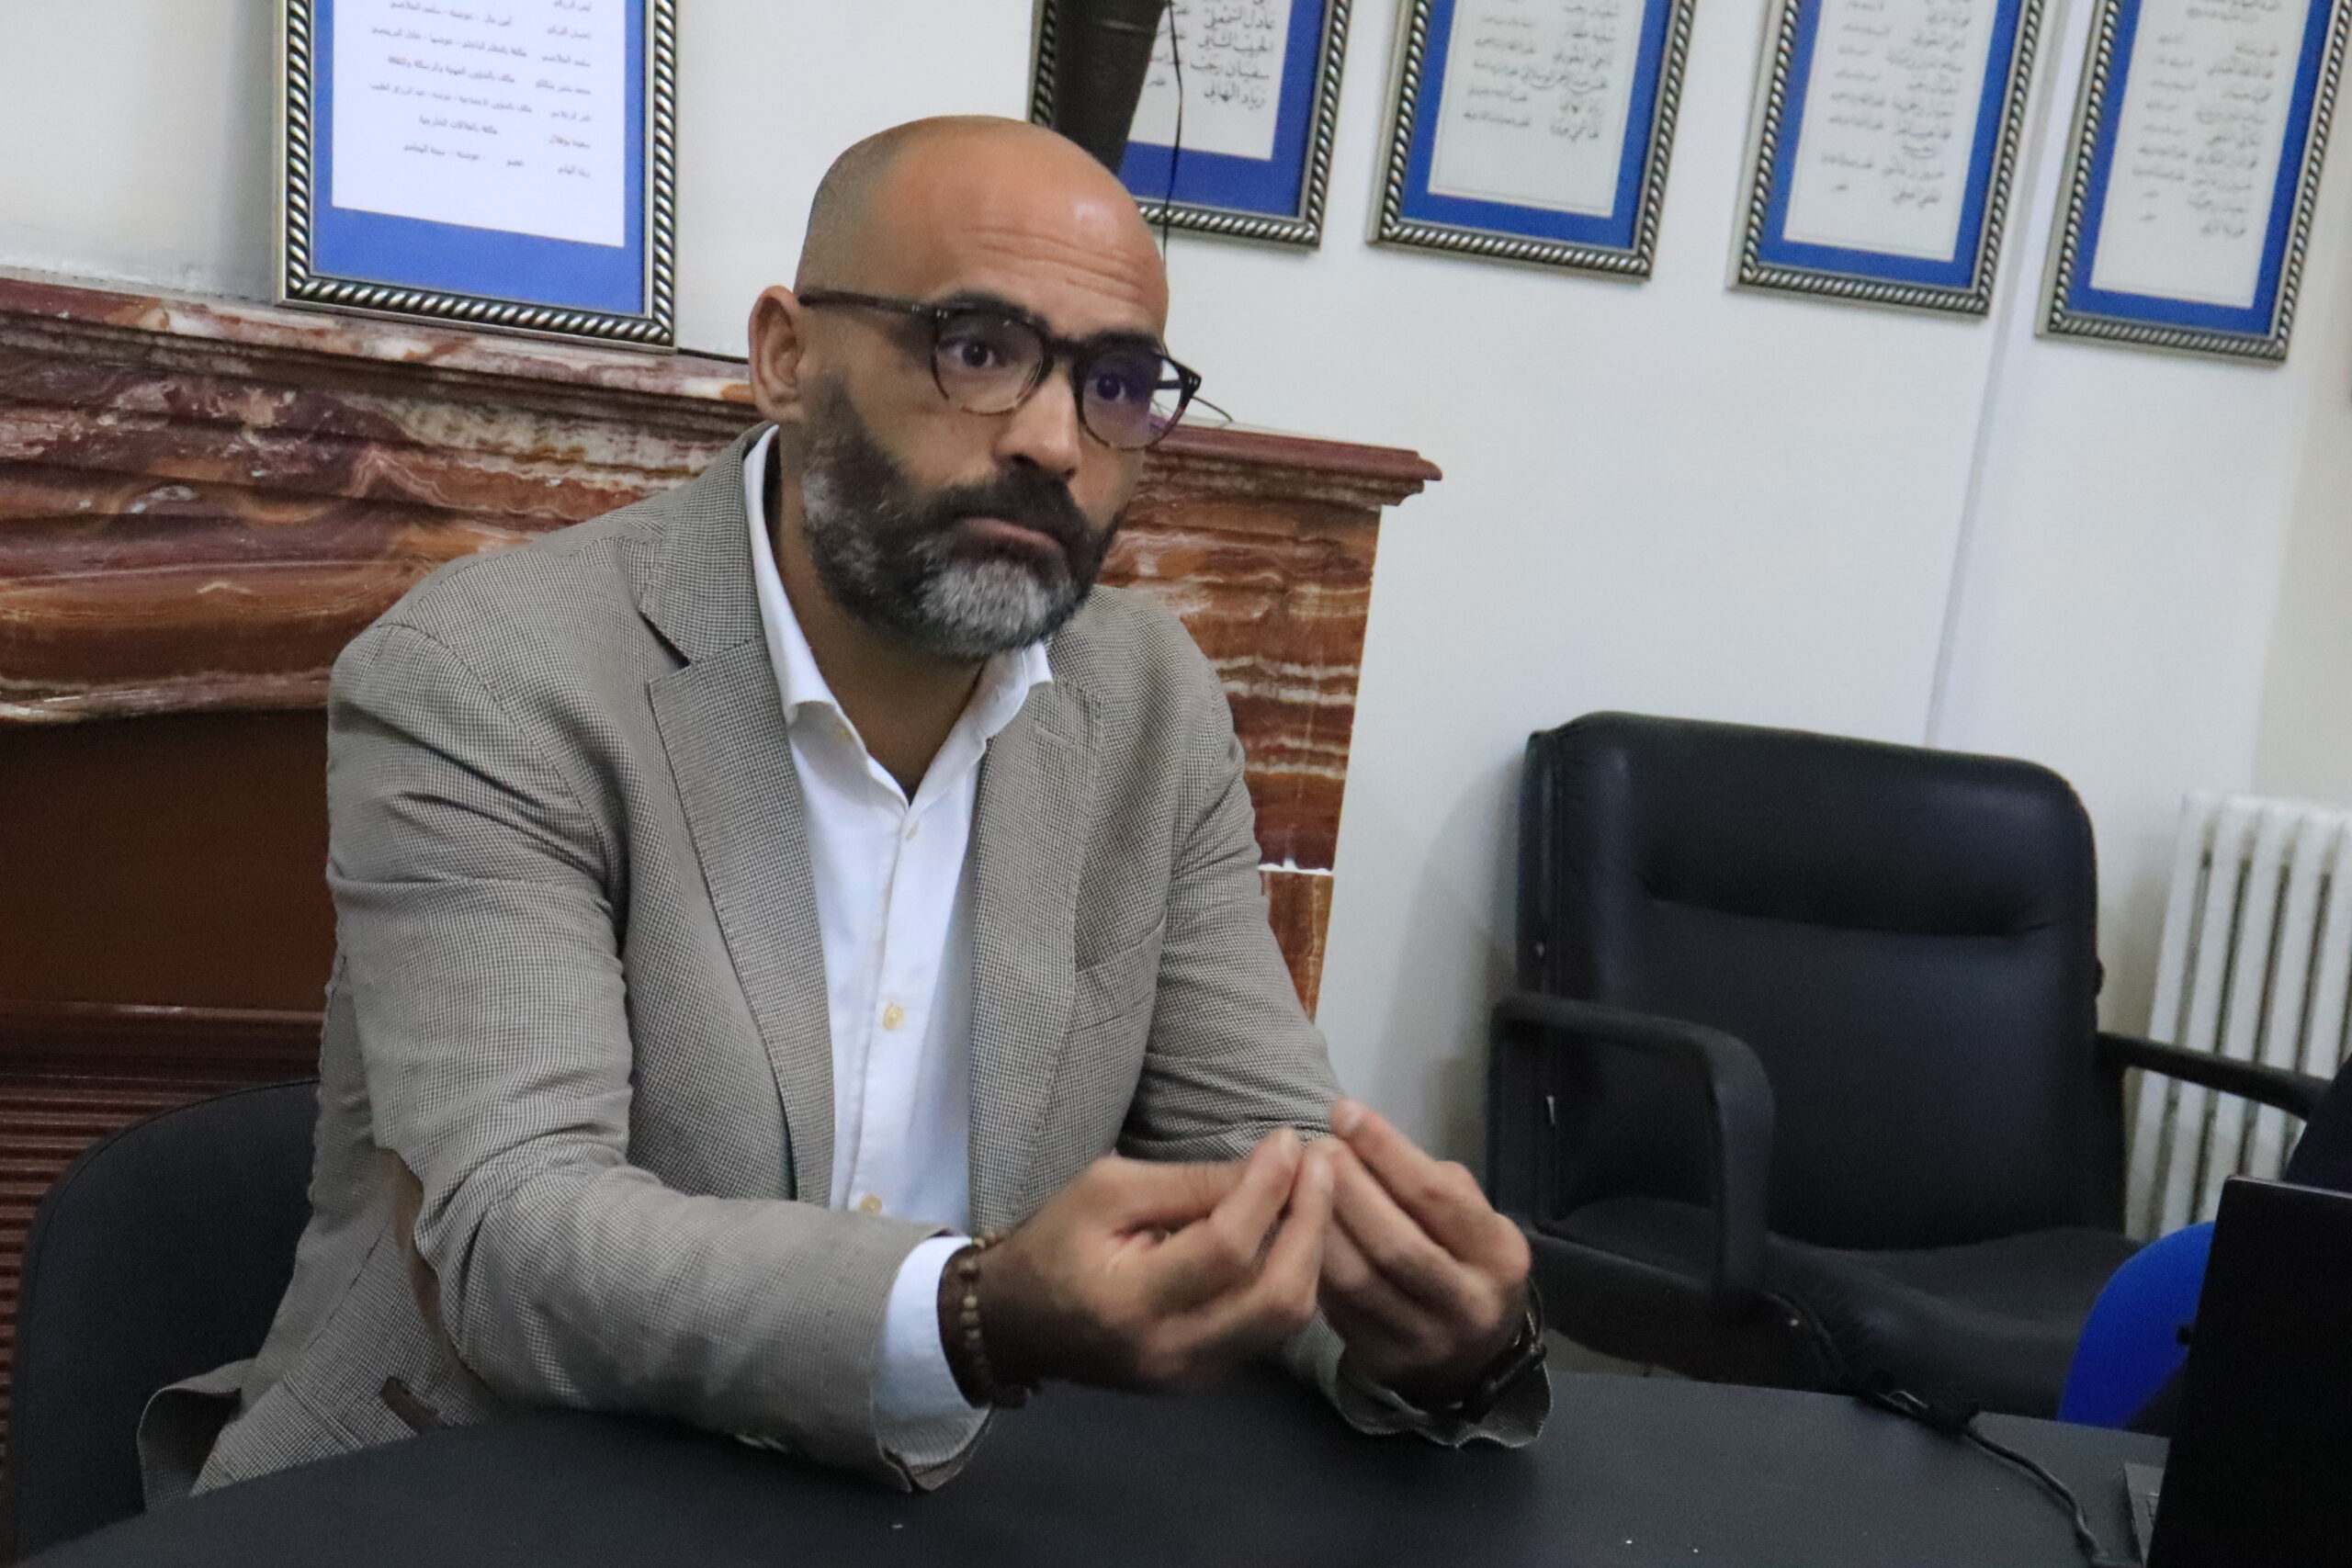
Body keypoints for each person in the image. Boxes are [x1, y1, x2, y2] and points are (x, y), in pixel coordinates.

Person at [141, 116, 1548, 1500]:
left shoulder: (1149, 706)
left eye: (1116, 385)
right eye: (977, 350)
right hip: (483, 1488)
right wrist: (976, 1317)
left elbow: (1265, 1163)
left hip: (921, 1502)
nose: (1053, 441)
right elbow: (513, 1240)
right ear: (786, 357)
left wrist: (1428, 1329)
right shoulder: (496, 671)